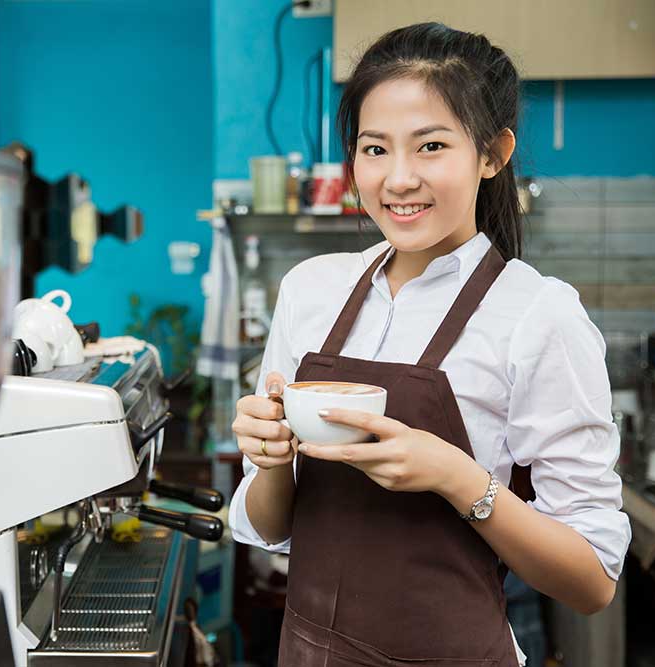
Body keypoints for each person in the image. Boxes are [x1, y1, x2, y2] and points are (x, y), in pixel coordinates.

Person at [228, 22, 631, 667]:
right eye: (375, 149)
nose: (397, 179)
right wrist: (272, 457)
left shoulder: (537, 314)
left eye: (432, 146)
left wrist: (457, 478)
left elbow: (591, 582)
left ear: (493, 154)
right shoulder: (311, 290)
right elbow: (272, 527)